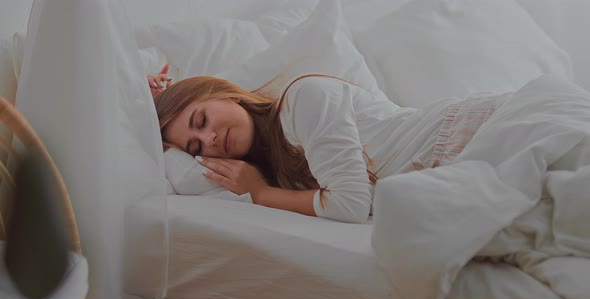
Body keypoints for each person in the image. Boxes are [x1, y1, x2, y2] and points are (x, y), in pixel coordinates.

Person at [150, 66, 499, 223]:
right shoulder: (278, 167)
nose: (209, 139)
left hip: (474, 133)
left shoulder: (303, 99)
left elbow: (350, 205)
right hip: (455, 174)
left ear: (224, 94)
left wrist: (258, 192)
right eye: (195, 148)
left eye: (202, 120)